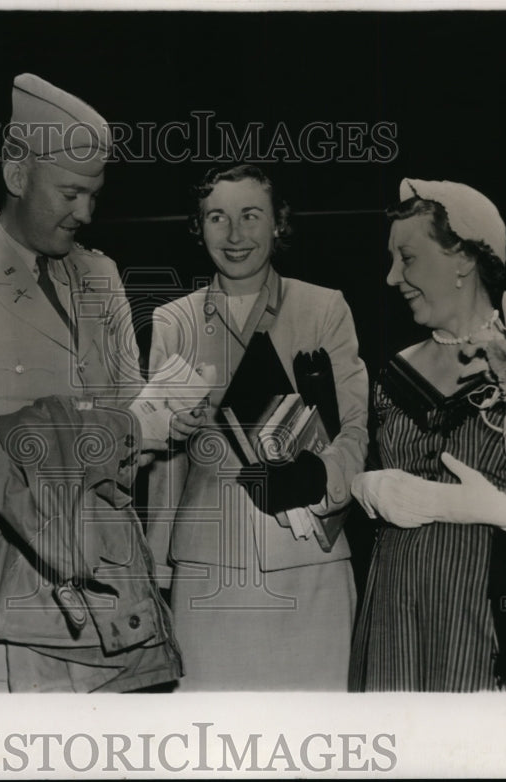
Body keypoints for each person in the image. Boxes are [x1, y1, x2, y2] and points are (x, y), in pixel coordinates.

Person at [0, 74, 181, 692]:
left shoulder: (101, 276)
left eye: (95, 194)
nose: (85, 213)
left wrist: (157, 424)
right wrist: (66, 443)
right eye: (70, 193)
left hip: (108, 589)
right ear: (16, 173)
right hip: (5, 601)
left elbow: (130, 426)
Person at [145, 164, 369, 690]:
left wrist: (321, 482)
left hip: (308, 559)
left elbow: (354, 430)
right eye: (217, 217)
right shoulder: (172, 321)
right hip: (206, 570)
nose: (235, 234)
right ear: (199, 228)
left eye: (251, 216)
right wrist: (156, 570)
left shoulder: (324, 308)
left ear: (278, 224)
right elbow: (163, 468)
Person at [348, 178, 506, 692]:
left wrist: (463, 505)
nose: (392, 278)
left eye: (406, 258)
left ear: (463, 259)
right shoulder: (393, 374)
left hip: (482, 620)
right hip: (394, 616)